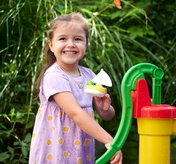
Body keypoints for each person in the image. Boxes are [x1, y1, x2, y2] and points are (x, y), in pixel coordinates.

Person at [29, 12, 122, 164]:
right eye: (62, 38)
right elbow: (76, 113)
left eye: (78, 39)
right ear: (51, 45)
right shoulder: (54, 76)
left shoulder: (89, 76)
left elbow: (108, 116)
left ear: (86, 44)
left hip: (80, 150)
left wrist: (104, 109)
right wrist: (109, 140)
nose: (71, 44)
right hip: (55, 150)